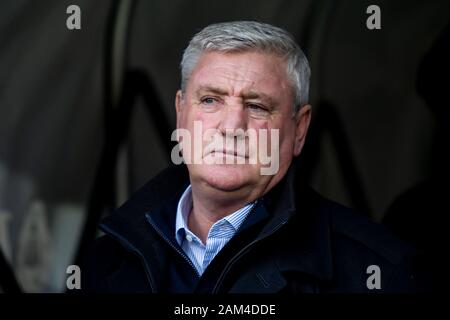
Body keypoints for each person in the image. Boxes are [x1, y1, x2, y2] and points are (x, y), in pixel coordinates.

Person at [81, 21, 418, 293]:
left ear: (299, 129)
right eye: (211, 100)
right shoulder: (104, 260)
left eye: (257, 107)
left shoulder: (378, 271)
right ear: (180, 111)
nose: (231, 126)